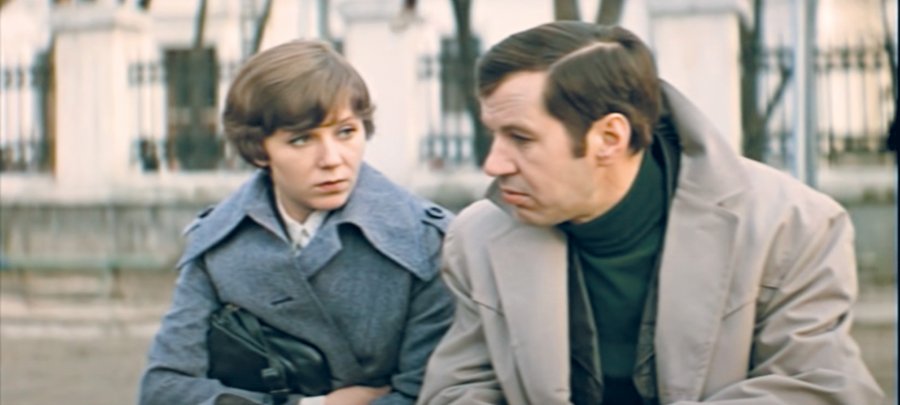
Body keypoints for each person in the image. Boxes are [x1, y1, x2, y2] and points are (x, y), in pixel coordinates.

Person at [417, 22, 884, 404]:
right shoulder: (477, 237)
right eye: (494, 135)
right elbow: (458, 390)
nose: (494, 164)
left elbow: (820, 388)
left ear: (609, 138)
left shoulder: (792, 224)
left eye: (520, 138)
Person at [139, 39, 454, 405]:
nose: (332, 159)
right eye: (302, 139)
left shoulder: (422, 241)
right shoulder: (217, 241)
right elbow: (164, 389)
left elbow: (430, 395)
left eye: (346, 132)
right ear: (260, 149)